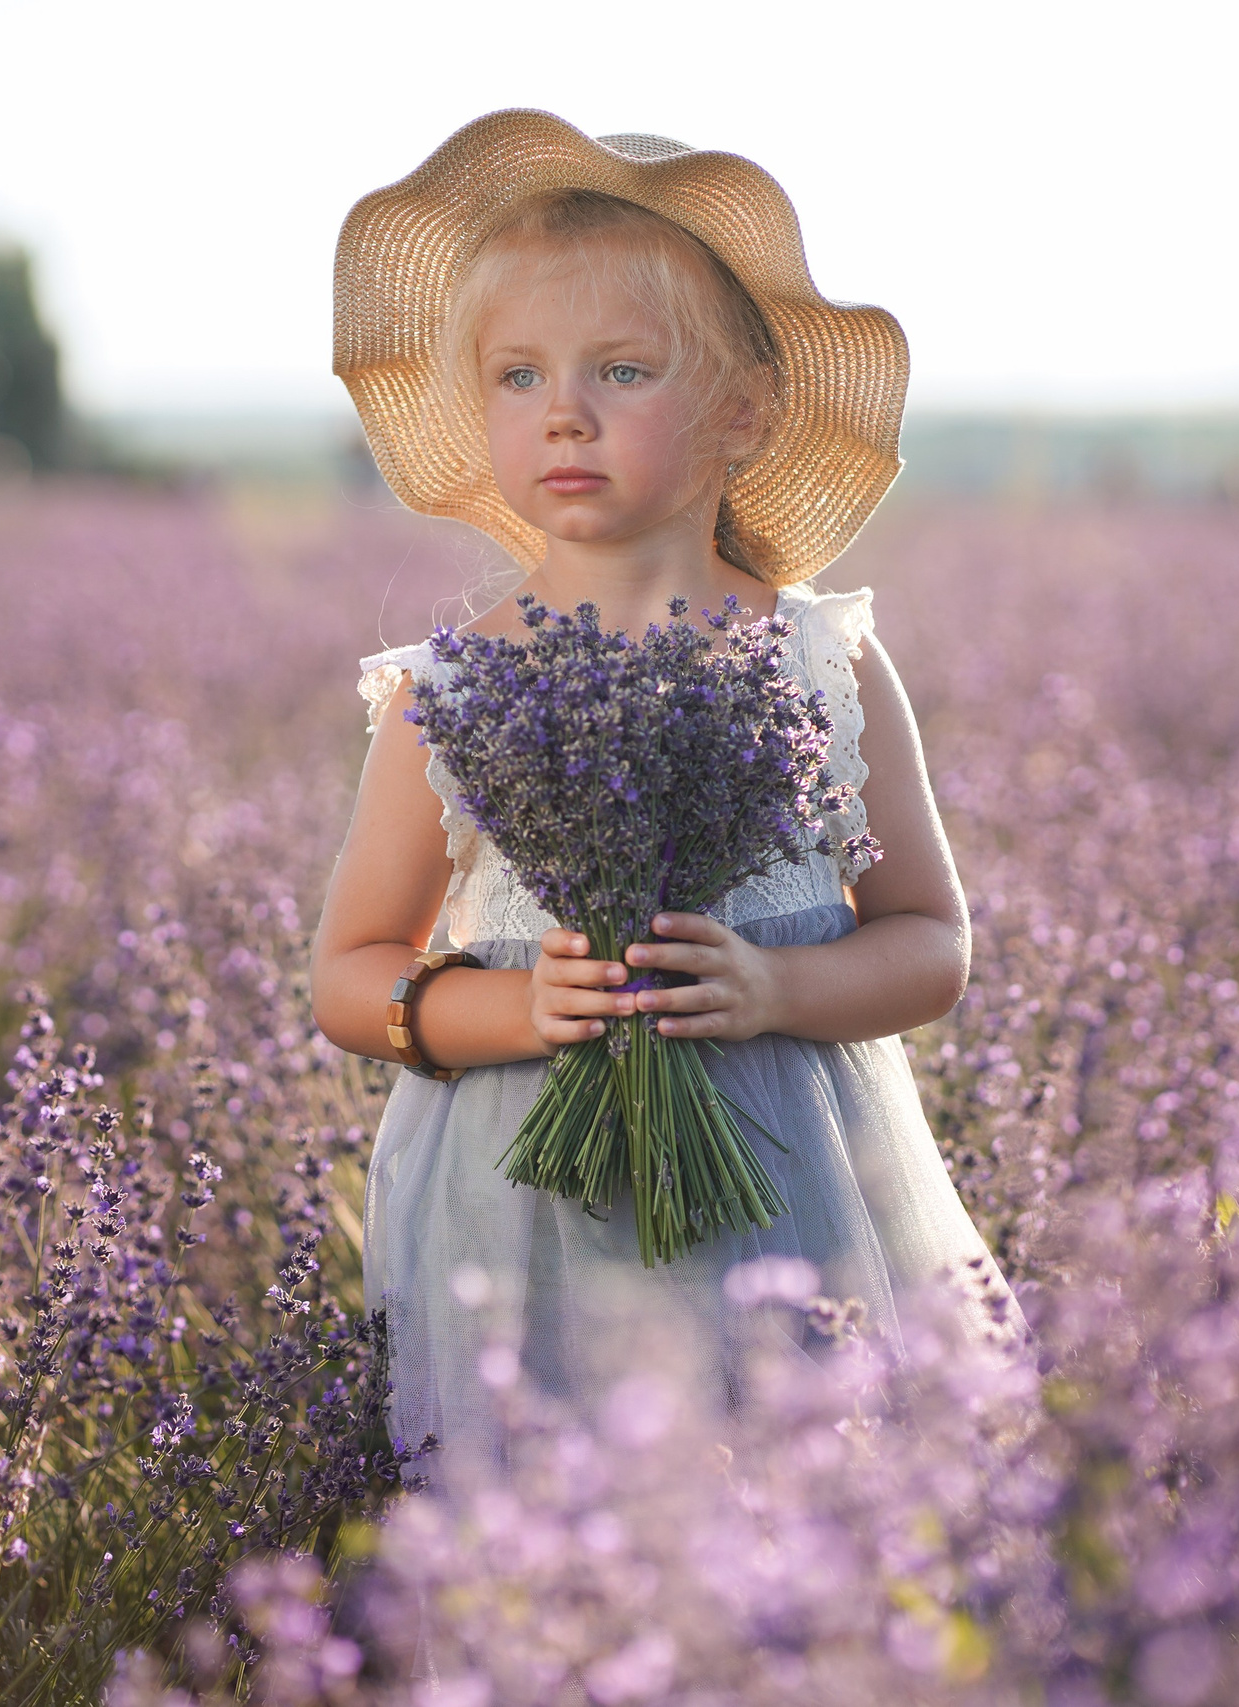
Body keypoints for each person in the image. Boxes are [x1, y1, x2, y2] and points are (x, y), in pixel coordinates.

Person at [312, 111, 1024, 1466]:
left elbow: (933, 943)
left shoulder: (822, 663)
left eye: (620, 370)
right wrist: (513, 1009)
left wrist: (780, 991)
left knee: (802, 1501)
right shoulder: (445, 695)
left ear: (743, 413)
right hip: (523, 1221)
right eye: (517, 377)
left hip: (792, 1195)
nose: (562, 410)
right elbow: (349, 973)